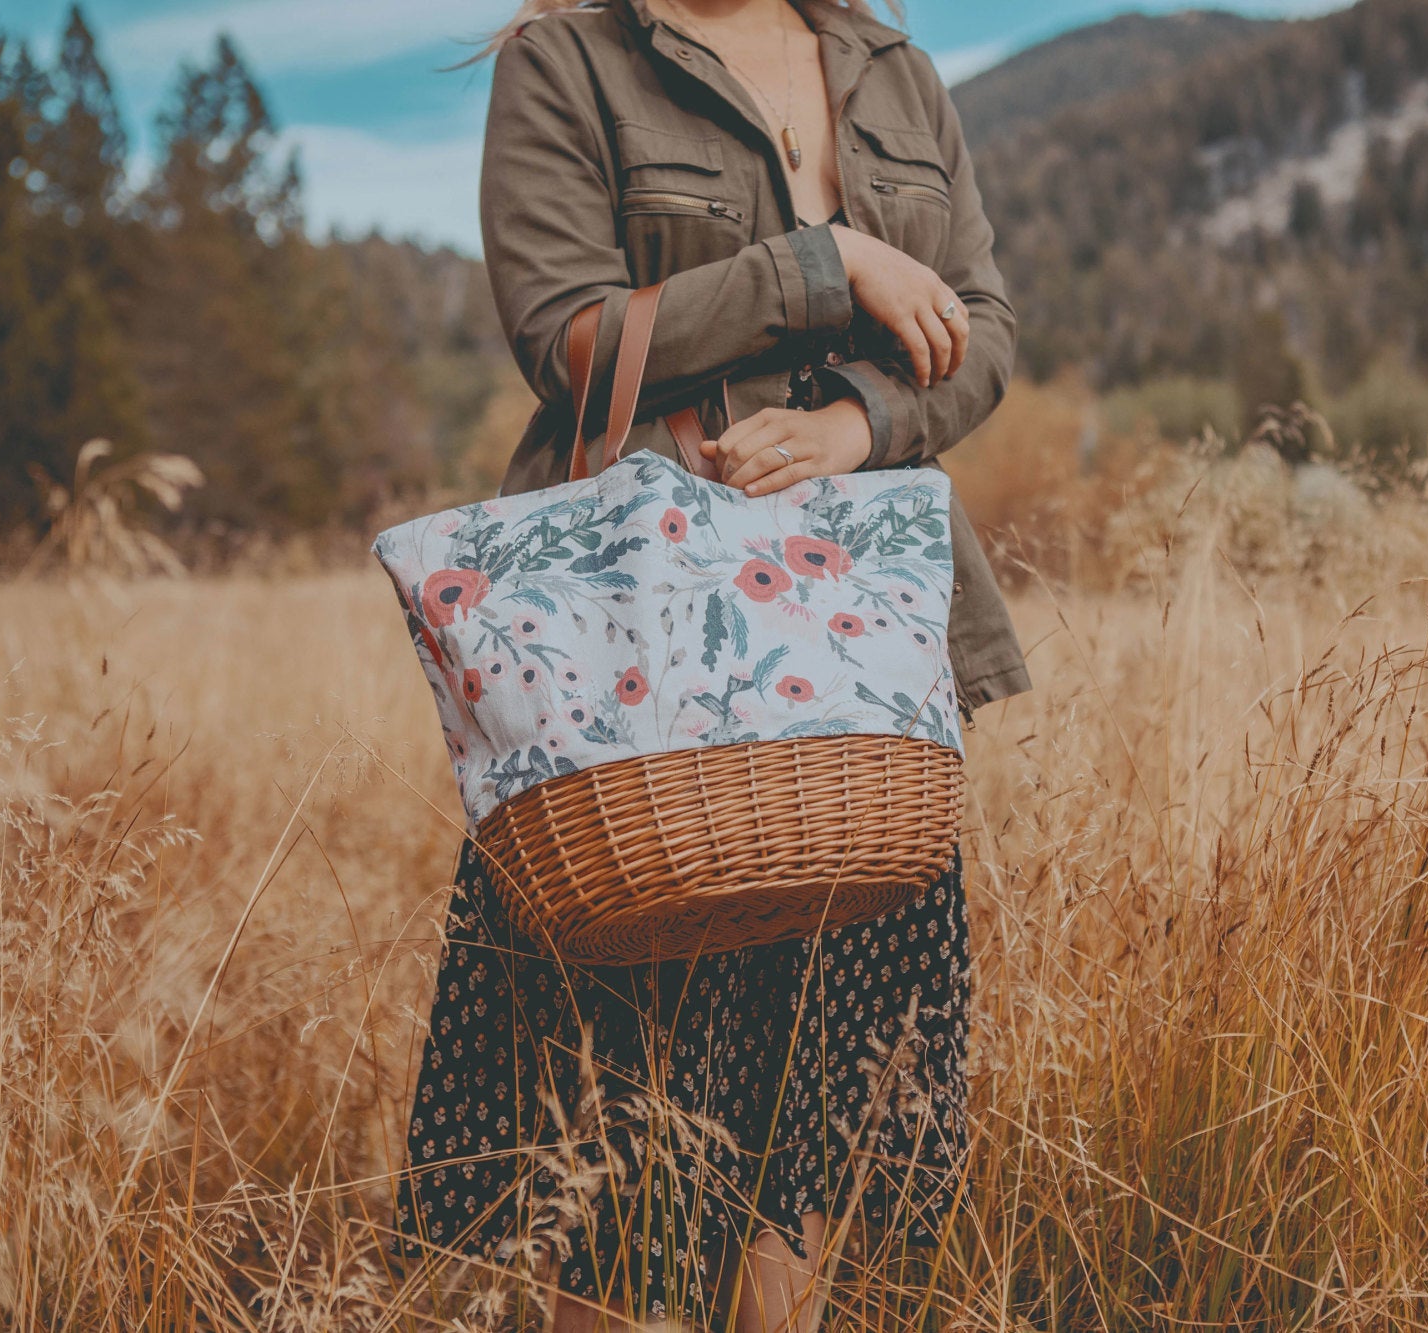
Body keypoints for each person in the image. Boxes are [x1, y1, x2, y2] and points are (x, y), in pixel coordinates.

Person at [392, 1, 1031, 1329]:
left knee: (793, 1146)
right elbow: (567, 339)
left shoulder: (891, 70)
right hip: (640, 680)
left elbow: (986, 329)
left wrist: (861, 425)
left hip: (859, 663)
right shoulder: (569, 63)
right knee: (619, 1144)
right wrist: (822, 267)